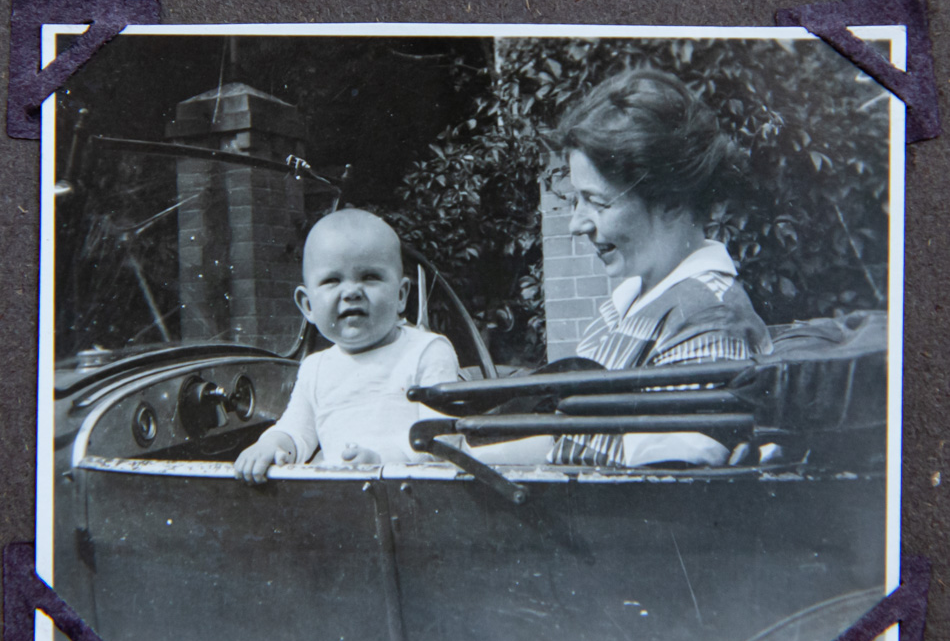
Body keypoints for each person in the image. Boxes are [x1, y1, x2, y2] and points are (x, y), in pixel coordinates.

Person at [478, 68, 772, 468]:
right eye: (575, 200)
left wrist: (459, 451)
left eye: (597, 203)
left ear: (671, 200)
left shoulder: (710, 319)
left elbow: (668, 477)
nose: (576, 223)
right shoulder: (632, 303)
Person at [234, 209, 459, 483]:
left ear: (401, 296)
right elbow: (296, 430)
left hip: (412, 497)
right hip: (341, 501)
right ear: (308, 306)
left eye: (370, 277)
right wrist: (271, 444)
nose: (351, 291)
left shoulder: (426, 351)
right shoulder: (316, 368)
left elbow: (442, 440)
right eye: (332, 280)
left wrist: (382, 460)